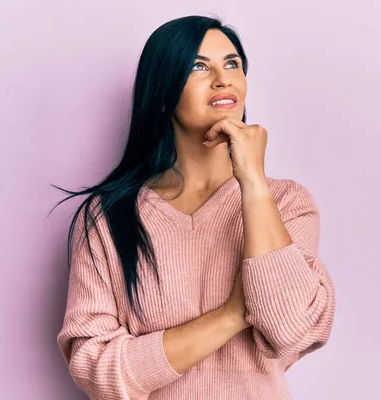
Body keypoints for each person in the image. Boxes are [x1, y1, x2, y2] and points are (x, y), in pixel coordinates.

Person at [53, 14, 336, 400]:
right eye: (198, 66)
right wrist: (230, 316)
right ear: (163, 91)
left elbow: (291, 329)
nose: (223, 79)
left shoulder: (287, 203)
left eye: (232, 64)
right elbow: (98, 371)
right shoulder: (108, 217)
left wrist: (252, 181)